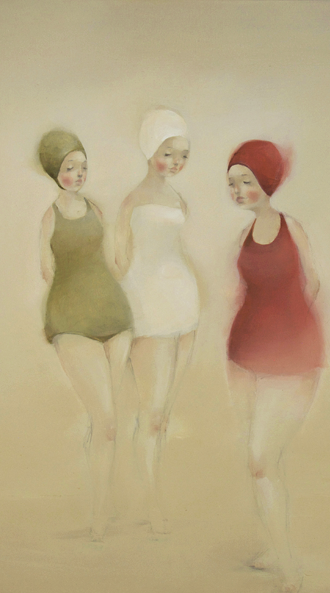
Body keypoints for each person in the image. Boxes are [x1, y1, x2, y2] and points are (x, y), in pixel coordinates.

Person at [226, 140, 324, 593]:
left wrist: (289, 329)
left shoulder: (292, 228)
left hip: (291, 358)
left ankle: (287, 565)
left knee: (262, 460)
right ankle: (271, 545)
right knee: (258, 461)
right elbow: (242, 293)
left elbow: (313, 282)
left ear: (266, 181)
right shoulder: (242, 236)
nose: (238, 190)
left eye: (245, 181)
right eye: (232, 183)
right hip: (245, 357)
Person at [38, 129, 133, 541]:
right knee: (105, 419)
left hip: (115, 316)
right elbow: (47, 271)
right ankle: (98, 514)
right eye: (69, 167)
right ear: (54, 172)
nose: (78, 174)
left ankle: (104, 506)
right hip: (72, 322)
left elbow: (114, 263)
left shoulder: (96, 209)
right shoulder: (50, 217)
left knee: (113, 422)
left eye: (82, 166)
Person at [115, 109, 199, 534]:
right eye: (169, 153)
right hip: (146, 306)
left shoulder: (179, 200)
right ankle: (151, 502)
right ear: (150, 151)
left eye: (183, 155)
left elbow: (176, 250)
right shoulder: (132, 201)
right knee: (150, 412)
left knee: (164, 414)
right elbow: (119, 260)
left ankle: (154, 494)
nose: (177, 162)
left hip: (184, 304)